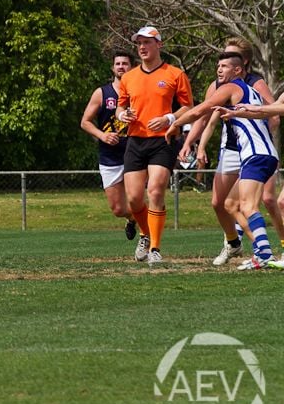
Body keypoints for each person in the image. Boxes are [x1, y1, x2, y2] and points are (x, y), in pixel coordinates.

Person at [168, 52, 278, 269]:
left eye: (225, 66)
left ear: (238, 70)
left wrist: (174, 123)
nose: (219, 70)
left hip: (256, 155)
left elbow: (199, 111)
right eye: (218, 65)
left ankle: (264, 255)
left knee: (248, 205)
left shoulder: (231, 88)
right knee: (229, 203)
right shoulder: (251, 93)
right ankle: (260, 252)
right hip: (261, 155)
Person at [116, 26, 193, 265]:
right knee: (134, 198)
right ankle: (146, 233)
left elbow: (188, 107)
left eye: (147, 42)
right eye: (139, 43)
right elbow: (121, 106)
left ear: (159, 44)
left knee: (156, 190)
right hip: (136, 140)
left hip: (163, 140)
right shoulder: (128, 77)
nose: (142, 47)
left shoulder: (175, 74)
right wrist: (122, 116)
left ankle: (156, 249)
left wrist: (169, 118)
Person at [80, 51, 137, 240]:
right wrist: (102, 136)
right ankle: (132, 220)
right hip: (109, 157)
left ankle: (149, 237)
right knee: (118, 209)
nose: (121, 66)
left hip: (134, 153)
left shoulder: (138, 92)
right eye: (118, 63)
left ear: (132, 67)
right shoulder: (102, 93)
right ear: (113, 68)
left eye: (125, 63)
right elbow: (85, 122)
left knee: (137, 199)